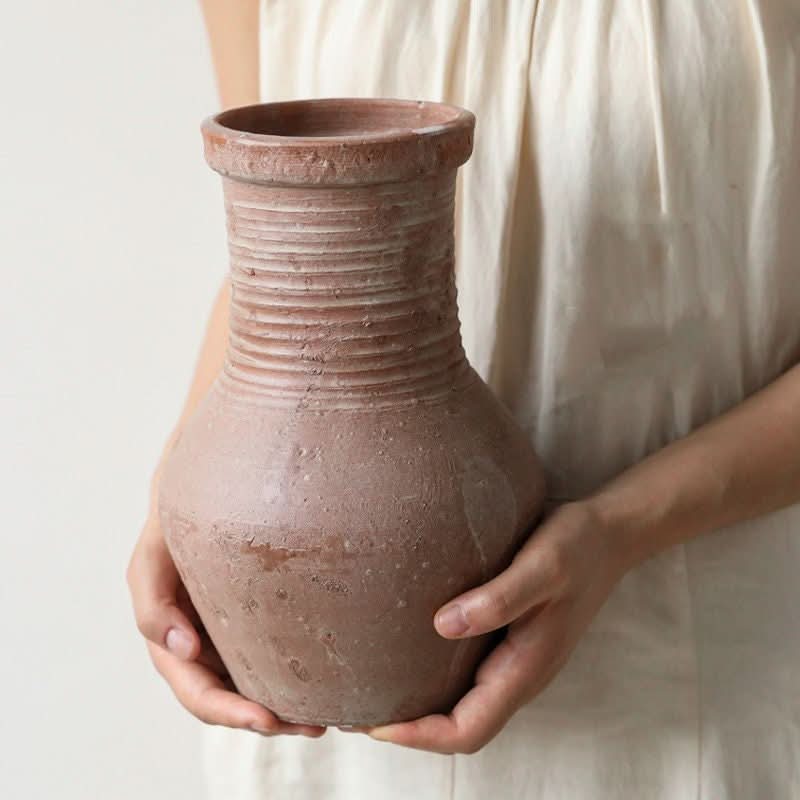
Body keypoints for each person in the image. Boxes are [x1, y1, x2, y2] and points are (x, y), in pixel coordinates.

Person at [126, 2, 800, 798]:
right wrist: (182, 495)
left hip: (690, 673)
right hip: (321, 688)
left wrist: (621, 529)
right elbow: (270, 254)